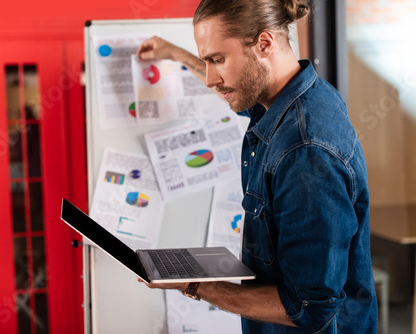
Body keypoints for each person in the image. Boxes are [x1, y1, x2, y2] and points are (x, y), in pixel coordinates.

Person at [136, 0, 378, 333]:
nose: (210, 79)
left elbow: (309, 308)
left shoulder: (305, 154)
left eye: (217, 60)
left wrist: (193, 285)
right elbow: (238, 96)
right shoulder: (290, 98)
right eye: (208, 60)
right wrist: (175, 54)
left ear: (264, 44)